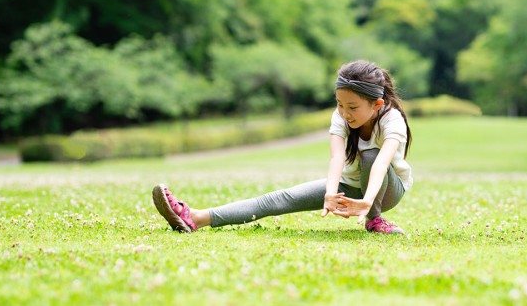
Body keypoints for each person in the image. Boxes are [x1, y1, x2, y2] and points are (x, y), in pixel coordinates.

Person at [152, 59, 413, 235]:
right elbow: (336, 158)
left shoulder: (392, 120)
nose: (344, 113)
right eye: (339, 104)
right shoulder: (342, 115)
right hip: (350, 183)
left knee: (370, 154)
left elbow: (380, 163)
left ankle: (376, 222)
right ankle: (195, 218)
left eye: (352, 107)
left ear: (376, 104)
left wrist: (367, 203)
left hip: (387, 190)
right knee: (279, 198)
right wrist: (330, 194)